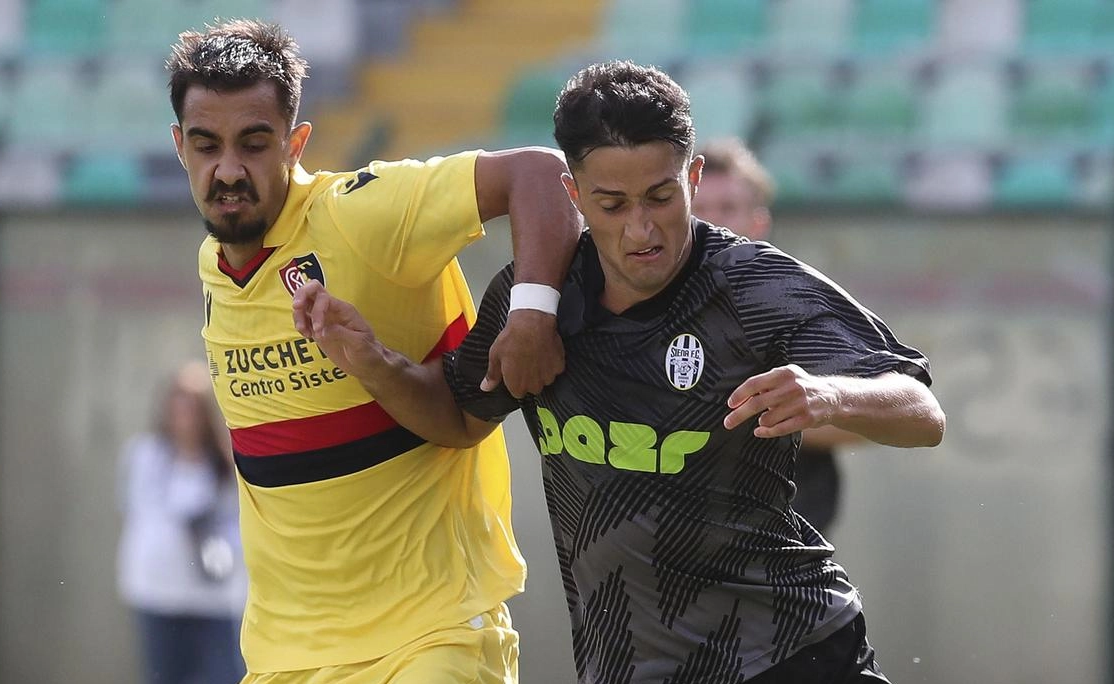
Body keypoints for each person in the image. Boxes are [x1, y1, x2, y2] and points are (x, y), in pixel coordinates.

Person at [293, 61, 945, 683]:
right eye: (612, 204)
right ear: (574, 194)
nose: (641, 229)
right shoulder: (537, 302)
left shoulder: (754, 287)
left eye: (661, 197)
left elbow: (921, 411)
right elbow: (459, 418)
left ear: (691, 180)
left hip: (789, 655)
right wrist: (369, 360)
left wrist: (829, 392)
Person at [166, 18, 582, 684]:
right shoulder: (215, 265)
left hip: (428, 636)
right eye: (206, 146)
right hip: (285, 656)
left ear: (296, 142)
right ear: (179, 146)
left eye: (253, 144)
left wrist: (533, 316)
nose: (229, 171)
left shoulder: (360, 216)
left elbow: (541, 174)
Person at [691, 137, 862, 535]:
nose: (713, 223)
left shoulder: (799, 309)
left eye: (728, 208)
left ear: (758, 223)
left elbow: (868, 421)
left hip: (787, 540)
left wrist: (771, 412)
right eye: (699, 209)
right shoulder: (641, 309)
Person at [117, 360, 247, 684]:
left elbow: (238, 521)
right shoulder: (146, 455)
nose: (184, 413)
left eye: (193, 404)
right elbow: (140, 515)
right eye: (178, 402)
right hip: (158, 593)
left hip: (213, 598)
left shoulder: (226, 462)